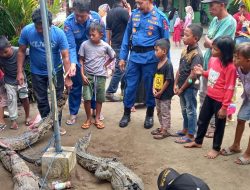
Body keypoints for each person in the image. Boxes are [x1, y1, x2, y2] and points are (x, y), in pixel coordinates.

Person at [17, 8, 73, 135]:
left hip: (56, 71)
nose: (39, 30)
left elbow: (65, 56)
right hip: (37, 72)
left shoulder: (58, 34)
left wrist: (68, 77)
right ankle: (47, 122)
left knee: (57, 99)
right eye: (37, 27)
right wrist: (19, 72)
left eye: (42, 28)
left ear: (50, 24)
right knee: (41, 100)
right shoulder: (27, 31)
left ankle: (56, 124)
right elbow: (21, 51)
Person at [119, 0, 170, 129]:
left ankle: (149, 115)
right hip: (134, 57)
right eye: (136, 3)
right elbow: (126, 36)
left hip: (151, 59)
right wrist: (122, 57)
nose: (138, 6)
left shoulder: (160, 18)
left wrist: (166, 65)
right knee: (130, 86)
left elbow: (166, 43)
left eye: (141, 3)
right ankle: (126, 113)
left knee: (150, 87)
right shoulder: (134, 15)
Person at [185, 36, 237, 159]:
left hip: (220, 101)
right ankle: (198, 141)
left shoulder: (231, 68)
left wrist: (224, 107)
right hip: (210, 96)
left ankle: (216, 148)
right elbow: (212, 74)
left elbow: (230, 88)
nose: (212, 51)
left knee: (219, 126)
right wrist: (202, 72)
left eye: (215, 49)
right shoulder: (213, 60)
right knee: (202, 119)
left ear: (224, 52)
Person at [64, 0, 105, 125]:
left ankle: (94, 110)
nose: (80, 18)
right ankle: (73, 113)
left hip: (93, 57)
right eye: (77, 15)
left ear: (88, 12)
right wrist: (73, 64)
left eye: (83, 16)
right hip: (76, 56)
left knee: (93, 84)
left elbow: (103, 39)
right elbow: (70, 46)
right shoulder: (69, 23)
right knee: (75, 85)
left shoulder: (96, 18)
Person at [200, 0, 236, 138]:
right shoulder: (215, 19)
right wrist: (210, 42)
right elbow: (208, 41)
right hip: (209, 63)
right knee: (205, 94)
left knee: (218, 96)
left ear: (222, 4)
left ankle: (214, 125)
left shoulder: (230, 22)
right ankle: (204, 123)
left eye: (212, 4)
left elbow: (214, 43)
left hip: (221, 67)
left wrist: (210, 42)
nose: (209, 8)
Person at [79, 22, 115, 129]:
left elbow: (113, 56)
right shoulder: (84, 45)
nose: (91, 36)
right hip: (88, 75)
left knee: (99, 98)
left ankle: (97, 118)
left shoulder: (105, 46)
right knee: (87, 98)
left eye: (93, 35)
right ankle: (88, 118)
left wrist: (106, 65)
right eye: (90, 34)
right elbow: (81, 60)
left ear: (101, 35)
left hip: (101, 76)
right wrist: (82, 74)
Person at [220, 42, 250, 165]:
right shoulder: (239, 67)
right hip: (248, 98)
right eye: (234, 56)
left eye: (238, 58)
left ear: (248, 60)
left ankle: (248, 153)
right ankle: (236, 146)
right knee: (241, 119)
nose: (234, 59)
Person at [174, 24, 204, 144]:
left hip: (190, 88)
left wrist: (182, 88)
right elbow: (180, 69)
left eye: (186, 35)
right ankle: (185, 129)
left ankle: (191, 134)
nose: (183, 37)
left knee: (190, 110)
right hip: (181, 86)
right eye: (183, 34)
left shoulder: (197, 55)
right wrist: (175, 84)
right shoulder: (184, 50)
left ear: (195, 38)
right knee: (184, 109)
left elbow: (193, 76)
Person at [0, 36, 31, 130]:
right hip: (9, 82)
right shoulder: (0, 56)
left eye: (5, 52)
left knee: (24, 98)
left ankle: (27, 116)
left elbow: (31, 53)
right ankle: (13, 121)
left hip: (21, 81)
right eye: (1, 54)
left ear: (10, 45)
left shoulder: (19, 51)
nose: (3, 55)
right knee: (11, 100)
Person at [105, 0, 130, 102]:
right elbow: (132, 24)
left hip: (115, 43)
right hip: (123, 44)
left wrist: (108, 45)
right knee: (120, 69)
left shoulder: (109, 13)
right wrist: (128, 10)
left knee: (124, 68)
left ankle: (124, 91)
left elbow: (108, 31)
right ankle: (110, 91)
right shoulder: (123, 12)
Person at [150, 39, 174, 139]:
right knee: (159, 111)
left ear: (164, 51)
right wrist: (153, 88)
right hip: (158, 93)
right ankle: (162, 127)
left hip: (165, 94)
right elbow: (155, 77)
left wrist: (161, 92)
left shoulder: (168, 64)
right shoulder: (158, 63)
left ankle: (165, 130)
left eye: (157, 50)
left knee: (165, 112)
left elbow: (168, 80)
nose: (155, 53)